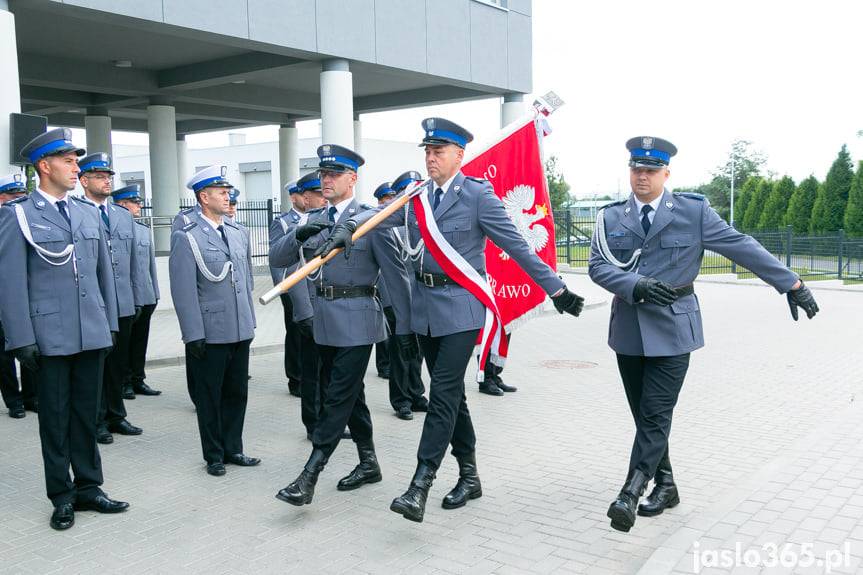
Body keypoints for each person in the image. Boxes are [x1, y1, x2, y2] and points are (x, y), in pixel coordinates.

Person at [317, 118, 585, 522]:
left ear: (460, 155)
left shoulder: (478, 196)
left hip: (461, 309)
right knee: (454, 398)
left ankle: (420, 483)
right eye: (427, 151)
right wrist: (349, 229)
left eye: (438, 151)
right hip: (425, 309)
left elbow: (517, 244)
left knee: (442, 393)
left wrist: (556, 289)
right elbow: (380, 215)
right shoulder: (419, 197)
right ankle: (470, 476)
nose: (430, 158)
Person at [589, 136, 820, 533]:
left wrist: (791, 283)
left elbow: (740, 246)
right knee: (645, 417)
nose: (641, 176)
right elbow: (597, 266)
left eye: (649, 170)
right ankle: (667, 485)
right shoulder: (611, 217)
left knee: (655, 414)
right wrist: (635, 285)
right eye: (635, 169)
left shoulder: (693, 212)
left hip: (675, 327)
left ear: (666, 173)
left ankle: (631, 490)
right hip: (629, 328)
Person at [270, 144, 415, 506]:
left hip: (359, 318)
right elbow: (277, 257)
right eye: (322, 175)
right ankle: (369, 463)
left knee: (336, 396)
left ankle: (310, 474)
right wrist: (299, 234)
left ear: (353, 178)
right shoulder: (315, 218)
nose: (326, 181)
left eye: (334, 174)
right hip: (325, 320)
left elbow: (396, 276)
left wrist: (406, 327)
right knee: (353, 398)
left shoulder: (371, 218)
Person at [0, 128, 128, 530]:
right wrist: (21, 339)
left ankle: (90, 487)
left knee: (86, 415)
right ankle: (62, 495)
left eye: (76, 161)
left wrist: (108, 326)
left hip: (90, 332)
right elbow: (10, 282)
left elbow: (102, 274)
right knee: (54, 420)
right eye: (69, 161)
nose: (77, 168)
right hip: (49, 337)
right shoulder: (18, 214)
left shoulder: (86, 212)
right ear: (45, 165)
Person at [169, 165, 260, 477]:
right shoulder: (188, 237)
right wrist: (192, 333)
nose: (228, 196)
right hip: (210, 330)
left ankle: (234, 447)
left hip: (239, 327)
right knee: (210, 396)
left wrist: (250, 322)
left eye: (228, 191)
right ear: (203, 197)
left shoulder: (238, 232)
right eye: (221, 192)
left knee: (237, 392)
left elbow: (246, 280)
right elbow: (183, 291)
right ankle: (214, 454)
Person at [77, 153, 143, 443]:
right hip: (94, 302)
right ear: (84, 180)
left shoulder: (120, 215)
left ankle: (117, 415)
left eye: (109, 176)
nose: (107, 181)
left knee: (118, 363)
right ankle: (97, 420)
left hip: (123, 302)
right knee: (96, 366)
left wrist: (137, 297)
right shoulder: (77, 211)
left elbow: (132, 263)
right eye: (100, 176)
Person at [374, 178, 429, 420]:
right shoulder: (387, 225)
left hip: (420, 296)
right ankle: (401, 400)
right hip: (397, 297)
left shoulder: (421, 222)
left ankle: (416, 394)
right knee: (400, 349)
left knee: (417, 349)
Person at [112, 184, 161, 397]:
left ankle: (138, 379)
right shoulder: (115, 229)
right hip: (127, 298)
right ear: (122, 204)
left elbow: (150, 265)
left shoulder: (143, 229)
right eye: (134, 202)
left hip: (146, 294)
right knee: (124, 343)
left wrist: (156, 293)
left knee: (141, 340)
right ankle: (123, 382)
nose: (139, 205)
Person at [0, 173, 38, 418]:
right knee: (3, 356)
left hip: (23, 298)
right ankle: (14, 401)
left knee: (29, 348)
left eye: (23, 196)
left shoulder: (25, 222)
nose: (20, 200)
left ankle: (31, 397)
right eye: (14, 197)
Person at [269, 180, 304, 397]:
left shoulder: (319, 216)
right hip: (291, 286)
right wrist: (283, 287)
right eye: (303, 194)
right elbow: (275, 257)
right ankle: (296, 379)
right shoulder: (283, 222)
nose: (307, 198)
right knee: (295, 333)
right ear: (293, 197)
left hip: (311, 285)